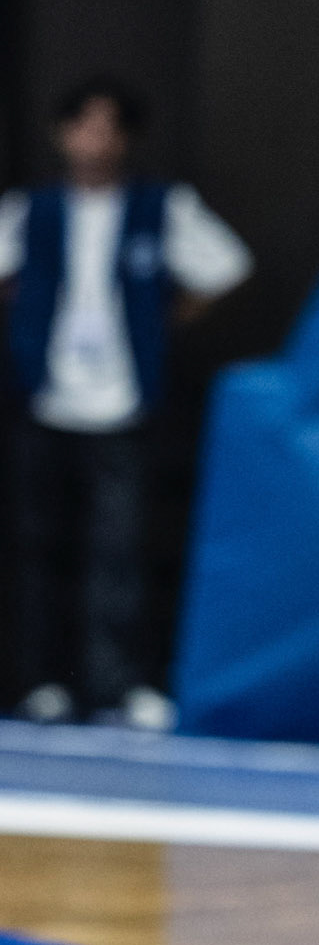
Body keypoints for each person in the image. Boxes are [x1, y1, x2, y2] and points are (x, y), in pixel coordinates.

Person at [0, 77, 253, 728]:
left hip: (123, 404)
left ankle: (118, 683)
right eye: (84, 125)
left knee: (121, 550)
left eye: (110, 127)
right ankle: (44, 681)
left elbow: (227, 266)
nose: (96, 140)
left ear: (127, 138)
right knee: (39, 549)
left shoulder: (159, 207)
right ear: (62, 134)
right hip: (46, 400)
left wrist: (163, 319)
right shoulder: (32, 210)